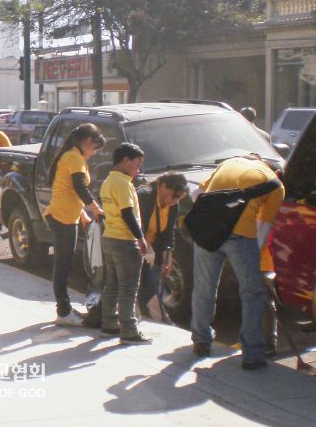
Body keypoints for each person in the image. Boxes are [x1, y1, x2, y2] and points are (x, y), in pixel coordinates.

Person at [190, 155, 284, 370]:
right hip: (242, 236)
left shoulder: (228, 164)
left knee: (204, 287)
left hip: (208, 231)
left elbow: (197, 195)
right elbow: (263, 228)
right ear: (276, 172)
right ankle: (252, 355)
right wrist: (249, 260)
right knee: (251, 294)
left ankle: (201, 341)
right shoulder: (276, 186)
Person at [44, 123, 106, 326]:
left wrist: (83, 215)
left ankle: (65, 310)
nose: (94, 153)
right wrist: (95, 209)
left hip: (65, 215)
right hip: (62, 217)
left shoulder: (73, 156)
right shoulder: (74, 157)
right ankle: (63, 312)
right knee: (62, 266)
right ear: (88, 142)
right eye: (95, 148)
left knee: (64, 264)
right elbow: (79, 187)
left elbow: (67, 190)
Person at [100, 143, 151, 345]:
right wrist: (140, 238)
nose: (138, 170)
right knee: (128, 288)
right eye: (136, 165)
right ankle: (129, 331)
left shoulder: (108, 181)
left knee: (111, 284)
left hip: (109, 237)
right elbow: (127, 213)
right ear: (125, 161)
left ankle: (109, 324)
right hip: (124, 240)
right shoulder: (123, 184)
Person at [136, 172, 188, 321]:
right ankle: (149, 314)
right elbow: (135, 225)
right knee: (142, 281)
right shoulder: (144, 196)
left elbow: (168, 232)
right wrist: (143, 245)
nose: (174, 201)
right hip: (135, 244)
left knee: (154, 277)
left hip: (152, 247)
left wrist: (168, 256)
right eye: (173, 196)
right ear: (163, 186)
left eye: (178, 198)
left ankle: (156, 314)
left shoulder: (173, 205)